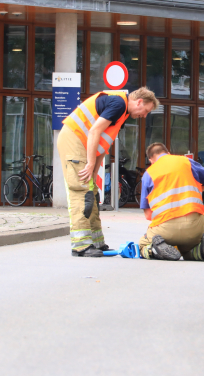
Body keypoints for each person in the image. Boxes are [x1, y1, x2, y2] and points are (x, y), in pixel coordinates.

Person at [58, 87, 158, 257]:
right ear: (139, 102)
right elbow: (94, 131)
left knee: (92, 192)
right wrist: (91, 164)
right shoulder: (119, 104)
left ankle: (97, 243)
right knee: (82, 191)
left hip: (82, 142)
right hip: (75, 139)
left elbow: (102, 144)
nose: (144, 116)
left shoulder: (122, 112)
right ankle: (81, 246)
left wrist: (94, 169)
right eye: (146, 111)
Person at [138, 143, 204, 261]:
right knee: (188, 249)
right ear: (168, 153)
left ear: (151, 160)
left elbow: (148, 215)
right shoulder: (186, 162)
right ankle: (202, 250)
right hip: (194, 228)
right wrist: (197, 188)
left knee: (143, 243)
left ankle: (156, 250)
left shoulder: (149, 173)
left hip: (165, 229)